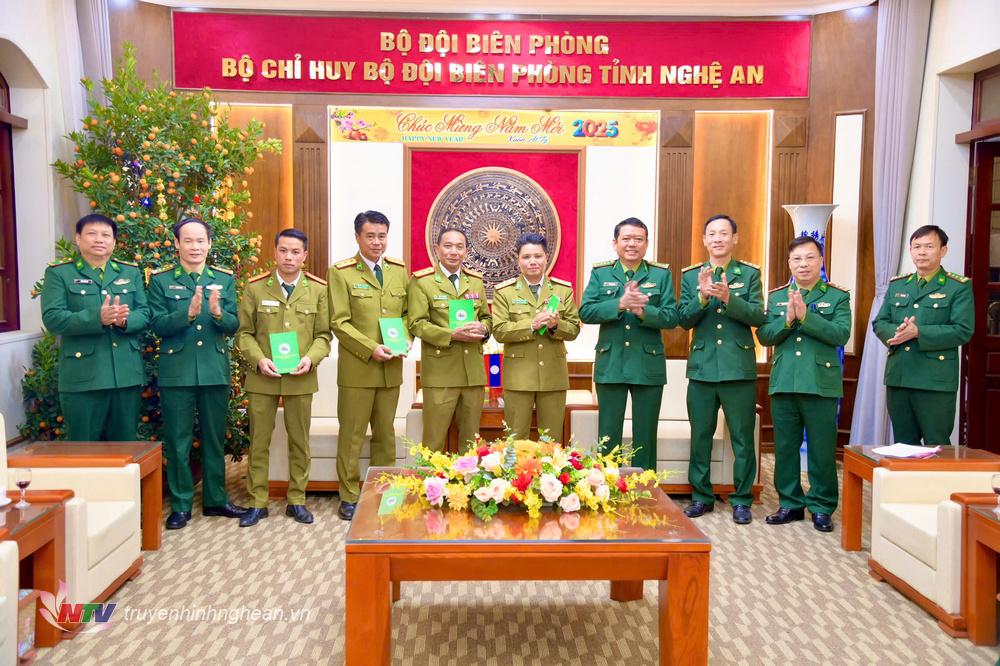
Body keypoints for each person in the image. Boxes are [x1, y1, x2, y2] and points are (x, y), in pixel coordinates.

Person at [148, 218, 248, 529]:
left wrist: (218, 313)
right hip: (176, 370)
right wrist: (187, 313)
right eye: (188, 241)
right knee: (178, 441)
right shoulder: (161, 281)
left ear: (209, 244)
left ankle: (216, 500)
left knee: (214, 439)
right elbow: (156, 325)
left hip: (212, 368)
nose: (195, 246)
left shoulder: (223, 279)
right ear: (176, 244)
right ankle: (180, 505)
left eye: (200, 240)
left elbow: (233, 326)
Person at [236, 229, 331, 527]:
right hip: (262, 376)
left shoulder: (318, 290)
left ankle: (297, 500)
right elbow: (244, 334)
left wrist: (310, 358)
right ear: (274, 252)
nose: (289, 257)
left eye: (295, 252)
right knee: (259, 440)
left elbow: (324, 336)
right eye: (283, 251)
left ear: (305, 256)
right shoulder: (255, 288)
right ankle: (258, 501)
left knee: (299, 441)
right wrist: (258, 359)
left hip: (300, 376)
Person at [756, 236, 850, 533]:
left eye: (809, 258)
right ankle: (791, 503)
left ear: (821, 261)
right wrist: (787, 321)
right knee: (785, 447)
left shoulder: (837, 296)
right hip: (784, 382)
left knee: (822, 449)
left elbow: (840, 334)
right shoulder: (778, 296)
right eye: (797, 259)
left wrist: (806, 317)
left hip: (820, 383)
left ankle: (822, 506)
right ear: (789, 263)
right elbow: (766, 336)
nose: (803, 264)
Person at [678, 214, 763, 523]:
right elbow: (682, 319)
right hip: (701, 368)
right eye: (711, 233)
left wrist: (730, 298)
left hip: (737, 367)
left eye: (724, 233)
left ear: (734, 238)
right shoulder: (691, 276)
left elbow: (758, 316)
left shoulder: (750, 274)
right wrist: (701, 297)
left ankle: (741, 498)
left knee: (742, 437)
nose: (717, 238)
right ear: (704, 240)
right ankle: (701, 496)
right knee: (700, 434)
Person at [328, 211, 409, 521]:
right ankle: (348, 495)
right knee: (352, 435)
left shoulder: (399, 271)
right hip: (358, 370)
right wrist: (371, 348)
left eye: (382, 236)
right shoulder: (341, 272)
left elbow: (406, 314)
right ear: (358, 237)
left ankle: (384, 490)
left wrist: (402, 337)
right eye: (371, 236)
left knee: (385, 435)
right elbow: (339, 322)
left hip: (391, 369)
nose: (377, 242)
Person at [579, 217, 677, 471]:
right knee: (608, 433)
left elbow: (672, 317)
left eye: (638, 239)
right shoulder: (601, 273)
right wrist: (620, 304)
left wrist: (644, 311)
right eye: (626, 239)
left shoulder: (660, 274)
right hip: (611, 363)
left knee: (645, 433)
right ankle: (606, 489)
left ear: (646, 244)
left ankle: (645, 490)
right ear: (615, 243)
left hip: (648, 363)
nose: (632, 244)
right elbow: (586, 312)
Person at [40, 214, 149, 440]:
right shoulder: (60, 273)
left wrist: (124, 321)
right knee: (83, 450)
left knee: (125, 451)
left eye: (106, 235)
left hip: (125, 376)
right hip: (83, 378)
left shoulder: (129, 272)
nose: (99, 239)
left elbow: (145, 313)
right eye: (91, 233)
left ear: (114, 242)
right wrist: (96, 318)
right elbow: (53, 318)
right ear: (78, 239)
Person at [873, 225, 974, 446]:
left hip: (935, 381)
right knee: (903, 445)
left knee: (936, 445)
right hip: (900, 376)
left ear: (943, 251)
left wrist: (919, 332)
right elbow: (880, 322)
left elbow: (962, 330)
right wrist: (897, 333)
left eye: (929, 246)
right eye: (916, 247)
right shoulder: (898, 284)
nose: (921, 252)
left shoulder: (957, 287)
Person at [407, 227, 491, 452]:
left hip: (473, 373)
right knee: (433, 443)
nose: (454, 252)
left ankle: (467, 487)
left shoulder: (475, 281)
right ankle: (430, 488)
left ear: (466, 251)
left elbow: (486, 317)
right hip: (440, 374)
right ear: (437, 249)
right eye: (448, 246)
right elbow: (416, 324)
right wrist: (450, 335)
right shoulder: (422, 281)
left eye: (459, 247)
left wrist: (483, 328)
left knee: (470, 444)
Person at [492, 233, 580, 440]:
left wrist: (556, 326)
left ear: (546, 257)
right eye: (526, 257)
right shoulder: (505, 292)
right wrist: (532, 324)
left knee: (551, 441)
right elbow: (499, 330)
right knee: (515, 440)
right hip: (519, 376)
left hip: (553, 375)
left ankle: (550, 474)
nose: (532, 261)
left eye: (538, 256)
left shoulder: (562, 290)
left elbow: (574, 329)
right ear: (518, 259)